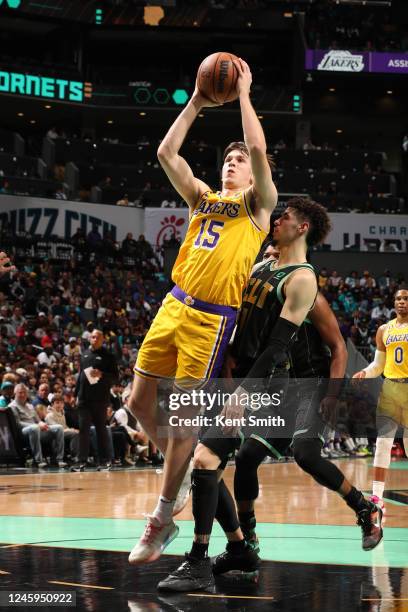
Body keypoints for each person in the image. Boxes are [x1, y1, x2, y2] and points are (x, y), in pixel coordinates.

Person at [158, 198, 383, 593]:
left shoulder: (303, 283)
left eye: (285, 218)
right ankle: (245, 544)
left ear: (302, 229)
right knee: (233, 459)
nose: (276, 221)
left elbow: (335, 348)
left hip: (298, 385)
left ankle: (363, 507)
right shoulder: (262, 267)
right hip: (261, 381)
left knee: (305, 454)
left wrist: (331, 394)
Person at [128, 57, 277, 564]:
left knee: (184, 417)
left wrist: (243, 96)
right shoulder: (201, 198)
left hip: (211, 320)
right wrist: (196, 99)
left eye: (240, 161)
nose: (233, 163)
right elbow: (166, 151)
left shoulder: (259, 206)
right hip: (173, 305)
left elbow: (256, 146)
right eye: (228, 160)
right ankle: (184, 454)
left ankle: (163, 514)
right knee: (137, 404)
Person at [353, 287, 408, 519]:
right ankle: (377, 498)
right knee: (383, 443)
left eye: (406, 299)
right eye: (398, 299)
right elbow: (378, 365)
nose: (402, 302)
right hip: (390, 388)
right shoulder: (384, 329)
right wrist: (365, 373)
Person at [71, 329, 119, 471]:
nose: (94, 339)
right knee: (83, 430)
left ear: (102, 339)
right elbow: (80, 376)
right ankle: (81, 461)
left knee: (101, 430)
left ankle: (104, 461)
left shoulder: (109, 356)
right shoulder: (84, 354)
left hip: (100, 399)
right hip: (84, 399)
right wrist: (75, 394)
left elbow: (115, 377)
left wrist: (102, 374)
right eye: (92, 337)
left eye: (97, 337)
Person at [10, 383, 65, 468]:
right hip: (23, 432)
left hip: (36, 429)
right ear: (15, 394)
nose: (23, 394)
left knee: (59, 428)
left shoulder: (30, 405)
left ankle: (58, 459)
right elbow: (18, 423)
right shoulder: (12, 406)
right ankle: (38, 460)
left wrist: (41, 423)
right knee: (34, 428)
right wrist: (37, 425)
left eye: (24, 392)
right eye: (20, 392)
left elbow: (38, 420)